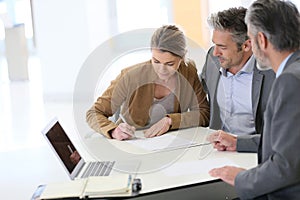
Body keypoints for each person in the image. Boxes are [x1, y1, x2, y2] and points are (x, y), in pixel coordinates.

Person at [209, 0, 300, 199]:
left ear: (261, 40)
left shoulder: (290, 80)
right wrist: (238, 143)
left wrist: (241, 178)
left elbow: (286, 166)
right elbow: (290, 142)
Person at [86, 25, 210, 141]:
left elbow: (204, 113)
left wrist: (171, 121)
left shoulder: (189, 72)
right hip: (132, 142)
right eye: (156, 61)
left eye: (170, 64)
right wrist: (113, 130)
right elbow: (94, 113)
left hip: (170, 143)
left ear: (182, 57)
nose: (162, 70)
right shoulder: (131, 76)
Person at [200, 7, 275, 157]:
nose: (215, 52)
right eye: (214, 44)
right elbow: (199, 99)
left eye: (222, 47)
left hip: (257, 153)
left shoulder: (273, 71)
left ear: (247, 45)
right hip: (218, 151)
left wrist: (238, 142)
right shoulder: (213, 59)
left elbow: (283, 137)